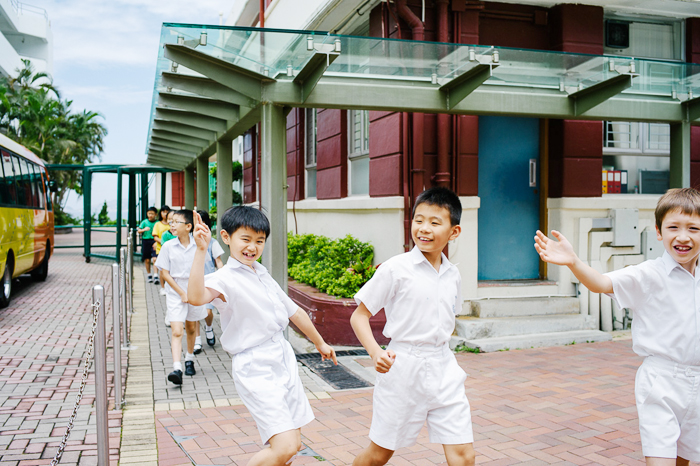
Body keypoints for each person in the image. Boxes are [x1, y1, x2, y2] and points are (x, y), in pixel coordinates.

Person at [534, 187, 700, 466]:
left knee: (685, 460)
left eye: (693, 228)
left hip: (697, 380)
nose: (683, 236)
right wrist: (574, 262)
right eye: (673, 227)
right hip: (662, 381)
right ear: (659, 232)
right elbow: (601, 283)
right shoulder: (649, 274)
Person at [188, 207, 337, 466]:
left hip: (282, 357)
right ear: (226, 237)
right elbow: (196, 297)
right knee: (285, 445)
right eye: (245, 239)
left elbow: (294, 311)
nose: (252, 247)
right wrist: (201, 251)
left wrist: (320, 342)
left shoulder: (261, 272)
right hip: (255, 365)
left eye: (259, 241)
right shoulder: (224, 279)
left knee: (293, 445)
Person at [350, 187, 475, 466]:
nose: (424, 228)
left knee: (464, 455)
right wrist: (375, 352)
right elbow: (359, 316)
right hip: (402, 368)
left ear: (454, 232)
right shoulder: (395, 269)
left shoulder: (453, 274)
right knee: (379, 454)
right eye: (419, 220)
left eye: (434, 222)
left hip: (444, 368)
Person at [155, 209, 207, 385]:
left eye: (176, 222)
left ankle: (189, 358)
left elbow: (201, 269)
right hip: (175, 292)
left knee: (191, 327)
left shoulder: (198, 245)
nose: (172, 225)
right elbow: (165, 273)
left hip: (195, 289)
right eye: (171, 222)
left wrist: (192, 292)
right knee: (177, 330)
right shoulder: (168, 246)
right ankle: (177, 368)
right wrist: (182, 293)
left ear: (188, 226)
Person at [192, 209, 224, 353]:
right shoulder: (189, 241)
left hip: (209, 282)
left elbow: (218, 261)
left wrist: (223, 277)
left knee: (207, 312)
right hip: (193, 282)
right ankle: (197, 340)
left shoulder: (213, 242)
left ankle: (209, 328)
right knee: (194, 312)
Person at [152, 205, 171, 291]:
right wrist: (165, 243)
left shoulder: (172, 224)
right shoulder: (158, 224)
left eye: (167, 212)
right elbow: (155, 237)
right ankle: (163, 287)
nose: (165, 213)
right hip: (161, 249)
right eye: (163, 212)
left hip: (171, 250)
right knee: (163, 269)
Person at [137, 207, 158, 283]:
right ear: (147, 214)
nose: (150, 215)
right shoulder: (144, 222)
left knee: (155, 258)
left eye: (152, 213)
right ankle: (149, 274)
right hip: (146, 241)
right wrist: (144, 230)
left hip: (154, 241)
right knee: (147, 259)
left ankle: (156, 275)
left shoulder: (157, 223)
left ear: (155, 214)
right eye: (149, 213)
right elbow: (139, 230)